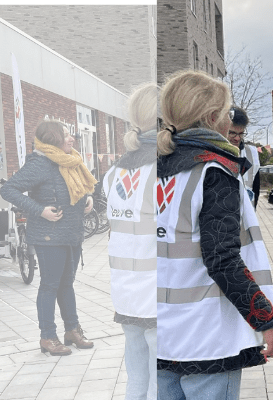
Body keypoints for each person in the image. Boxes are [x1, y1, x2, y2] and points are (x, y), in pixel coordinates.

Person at [156, 70, 273, 400]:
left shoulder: (154, 170)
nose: (231, 119)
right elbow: (223, 259)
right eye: (228, 112)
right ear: (213, 117)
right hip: (208, 337)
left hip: (161, 333)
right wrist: (266, 320)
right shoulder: (214, 172)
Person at [0, 120, 97, 356]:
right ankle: (47, 336)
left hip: (71, 233)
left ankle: (72, 330)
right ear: (52, 138)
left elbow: (77, 189)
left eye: (70, 133)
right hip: (49, 236)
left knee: (67, 284)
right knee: (50, 285)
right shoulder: (41, 163)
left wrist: (87, 199)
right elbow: (8, 189)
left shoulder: (71, 160)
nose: (71, 138)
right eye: (65, 135)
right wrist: (39, 209)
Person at [103, 83, 157, 399]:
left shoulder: (115, 171)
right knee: (158, 383)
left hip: (124, 290)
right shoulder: (165, 168)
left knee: (136, 380)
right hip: (156, 291)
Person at [227, 106, 261, 209]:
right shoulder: (213, 152)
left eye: (241, 134)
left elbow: (256, 188)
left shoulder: (251, 153)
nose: (237, 138)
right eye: (232, 133)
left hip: (245, 218)